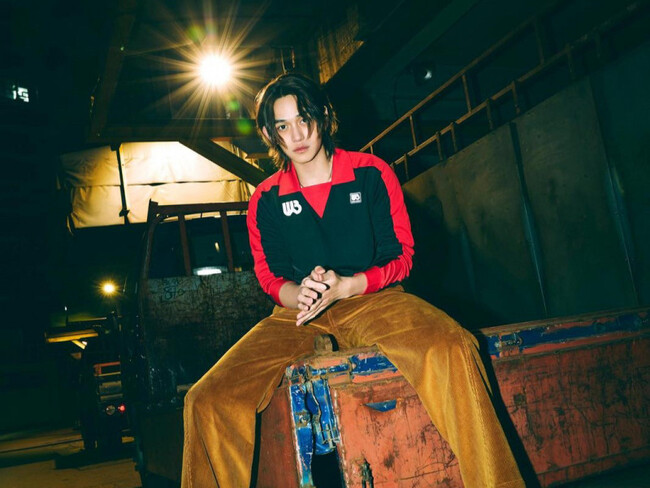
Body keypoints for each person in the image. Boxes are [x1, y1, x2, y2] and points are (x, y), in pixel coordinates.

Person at [181, 72, 525, 488]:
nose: (298, 134)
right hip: (298, 316)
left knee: (453, 347)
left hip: (374, 298)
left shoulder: (371, 173)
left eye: (305, 119)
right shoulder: (266, 199)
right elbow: (270, 276)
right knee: (207, 399)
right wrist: (299, 293)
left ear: (324, 116)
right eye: (283, 126)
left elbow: (401, 256)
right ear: (271, 135)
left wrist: (347, 285)